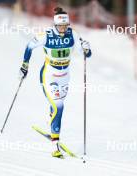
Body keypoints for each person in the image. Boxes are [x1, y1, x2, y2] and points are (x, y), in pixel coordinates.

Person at [19, 7, 92, 158]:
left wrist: (86, 48)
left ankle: (52, 124)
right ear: (55, 25)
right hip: (49, 76)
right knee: (59, 107)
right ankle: (55, 146)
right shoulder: (46, 35)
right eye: (60, 26)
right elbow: (29, 46)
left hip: (65, 76)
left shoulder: (73, 35)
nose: (63, 29)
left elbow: (87, 54)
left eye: (66, 26)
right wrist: (25, 66)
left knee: (56, 107)